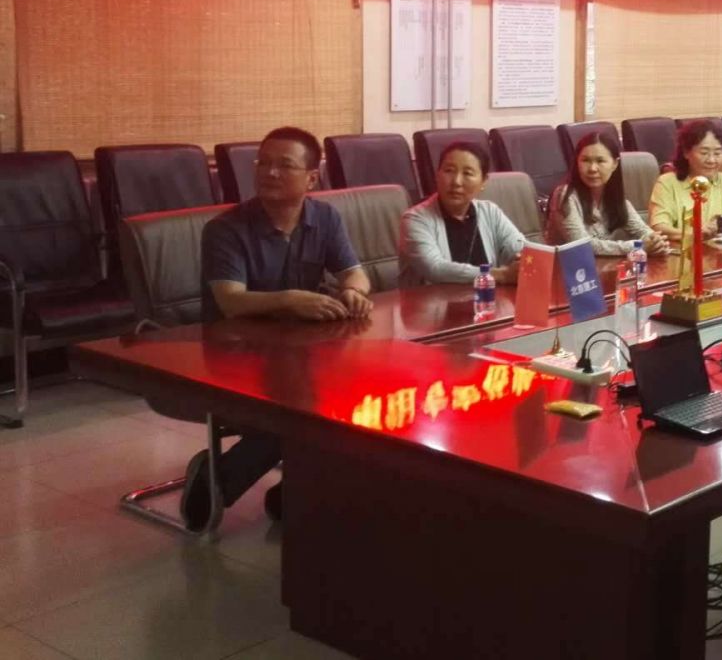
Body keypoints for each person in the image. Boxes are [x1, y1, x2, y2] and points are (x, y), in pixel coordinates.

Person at [185, 126, 373, 531]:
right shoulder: (226, 229)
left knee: (351, 399)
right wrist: (289, 299)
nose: (269, 172)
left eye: (284, 165)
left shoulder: (325, 217)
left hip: (299, 354)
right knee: (304, 411)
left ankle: (290, 494)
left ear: (311, 178)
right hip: (235, 355)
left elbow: (355, 273)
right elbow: (231, 301)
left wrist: (354, 291)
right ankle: (222, 481)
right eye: (263, 163)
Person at [397, 142, 527, 285]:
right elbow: (434, 268)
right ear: (437, 175)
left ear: (483, 182)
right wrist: (501, 275)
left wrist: (523, 260)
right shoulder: (415, 219)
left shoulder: (490, 212)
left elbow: (520, 249)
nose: (456, 182)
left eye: (467, 173)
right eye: (449, 171)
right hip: (432, 299)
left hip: (486, 298)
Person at [547, 131, 668, 256]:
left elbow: (642, 230)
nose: (592, 168)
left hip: (603, 266)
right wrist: (637, 246)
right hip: (567, 266)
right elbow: (582, 246)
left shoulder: (614, 196)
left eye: (600, 161)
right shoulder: (564, 195)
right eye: (585, 160)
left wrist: (655, 241)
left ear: (615, 164)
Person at [648, 119, 722, 242]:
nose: (711, 160)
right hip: (681, 250)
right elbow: (659, 227)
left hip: (715, 250)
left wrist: (720, 225)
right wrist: (695, 234)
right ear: (686, 152)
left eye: (717, 153)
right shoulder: (666, 182)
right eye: (704, 153)